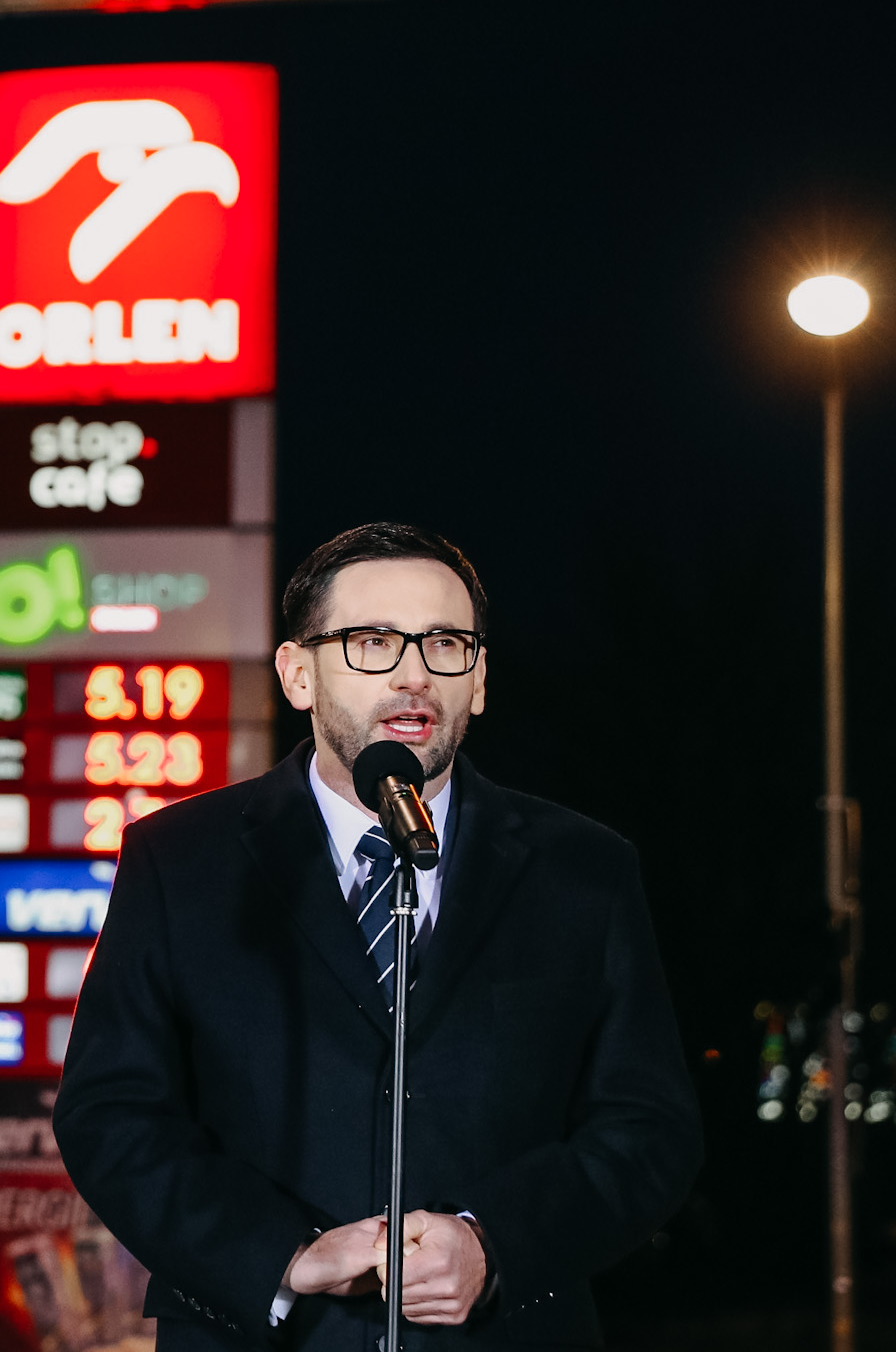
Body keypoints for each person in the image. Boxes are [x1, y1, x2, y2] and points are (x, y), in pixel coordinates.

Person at [53, 522, 701, 1349]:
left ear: (480, 680)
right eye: (372, 642)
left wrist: (494, 1243)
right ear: (298, 673)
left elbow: (649, 1127)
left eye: (446, 644)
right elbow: (112, 1112)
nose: (413, 674)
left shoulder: (584, 870)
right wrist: (283, 1255)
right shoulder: (181, 860)